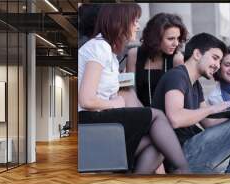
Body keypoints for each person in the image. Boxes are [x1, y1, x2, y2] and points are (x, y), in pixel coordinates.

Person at [78, 4, 189, 174]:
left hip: (102, 118)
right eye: (135, 21)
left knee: (159, 141)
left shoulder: (108, 52)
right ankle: (184, 170)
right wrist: (116, 103)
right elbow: (86, 100)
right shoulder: (99, 47)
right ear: (120, 22)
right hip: (92, 119)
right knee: (158, 117)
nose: (138, 26)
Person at [152, 33, 230, 174]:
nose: (217, 66)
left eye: (219, 61)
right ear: (197, 54)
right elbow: (175, 119)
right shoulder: (176, 76)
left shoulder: (195, 84)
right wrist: (213, 109)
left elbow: (208, 123)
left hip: (193, 147)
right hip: (180, 156)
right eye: (215, 58)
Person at [126, 13, 187, 106]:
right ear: (155, 38)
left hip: (168, 116)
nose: (176, 43)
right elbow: (130, 91)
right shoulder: (134, 54)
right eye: (171, 39)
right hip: (139, 112)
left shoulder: (177, 59)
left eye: (178, 38)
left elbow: (182, 98)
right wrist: (144, 114)